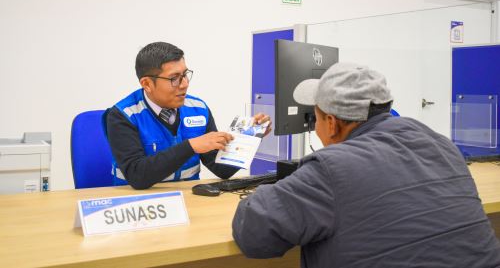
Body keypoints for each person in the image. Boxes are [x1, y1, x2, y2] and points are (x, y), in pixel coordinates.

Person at [232, 63, 500, 268]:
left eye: (315, 118)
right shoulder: (442, 145)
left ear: (332, 124)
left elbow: (254, 233)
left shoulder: (330, 169)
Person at [105, 42, 270, 189]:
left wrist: (251, 137)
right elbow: (137, 176)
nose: (184, 84)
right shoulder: (123, 115)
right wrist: (191, 146)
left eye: (185, 75)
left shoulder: (198, 109)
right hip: (136, 206)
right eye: (174, 78)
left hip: (188, 202)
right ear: (147, 84)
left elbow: (221, 169)